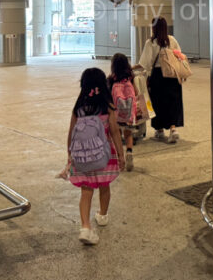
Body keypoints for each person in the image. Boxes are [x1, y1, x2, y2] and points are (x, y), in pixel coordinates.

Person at [58, 67, 125, 245]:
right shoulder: (107, 106)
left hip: (83, 158)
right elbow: (115, 132)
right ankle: (102, 215)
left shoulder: (79, 108)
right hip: (104, 156)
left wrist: (70, 156)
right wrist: (121, 154)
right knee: (104, 186)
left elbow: (71, 133)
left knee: (86, 191)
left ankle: (85, 227)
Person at [135, 16, 184, 144]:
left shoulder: (151, 43)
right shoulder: (172, 40)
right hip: (172, 76)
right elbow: (180, 56)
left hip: (158, 76)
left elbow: (144, 64)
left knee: (158, 103)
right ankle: (173, 130)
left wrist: (131, 67)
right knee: (173, 102)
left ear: (154, 28)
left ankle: (160, 130)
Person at [108, 53, 138, 171]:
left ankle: (119, 158)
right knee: (128, 133)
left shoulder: (112, 79)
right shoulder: (130, 76)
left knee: (117, 134)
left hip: (117, 113)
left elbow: (109, 96)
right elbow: (135, 91)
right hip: (129, 111)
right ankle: (129, 152)